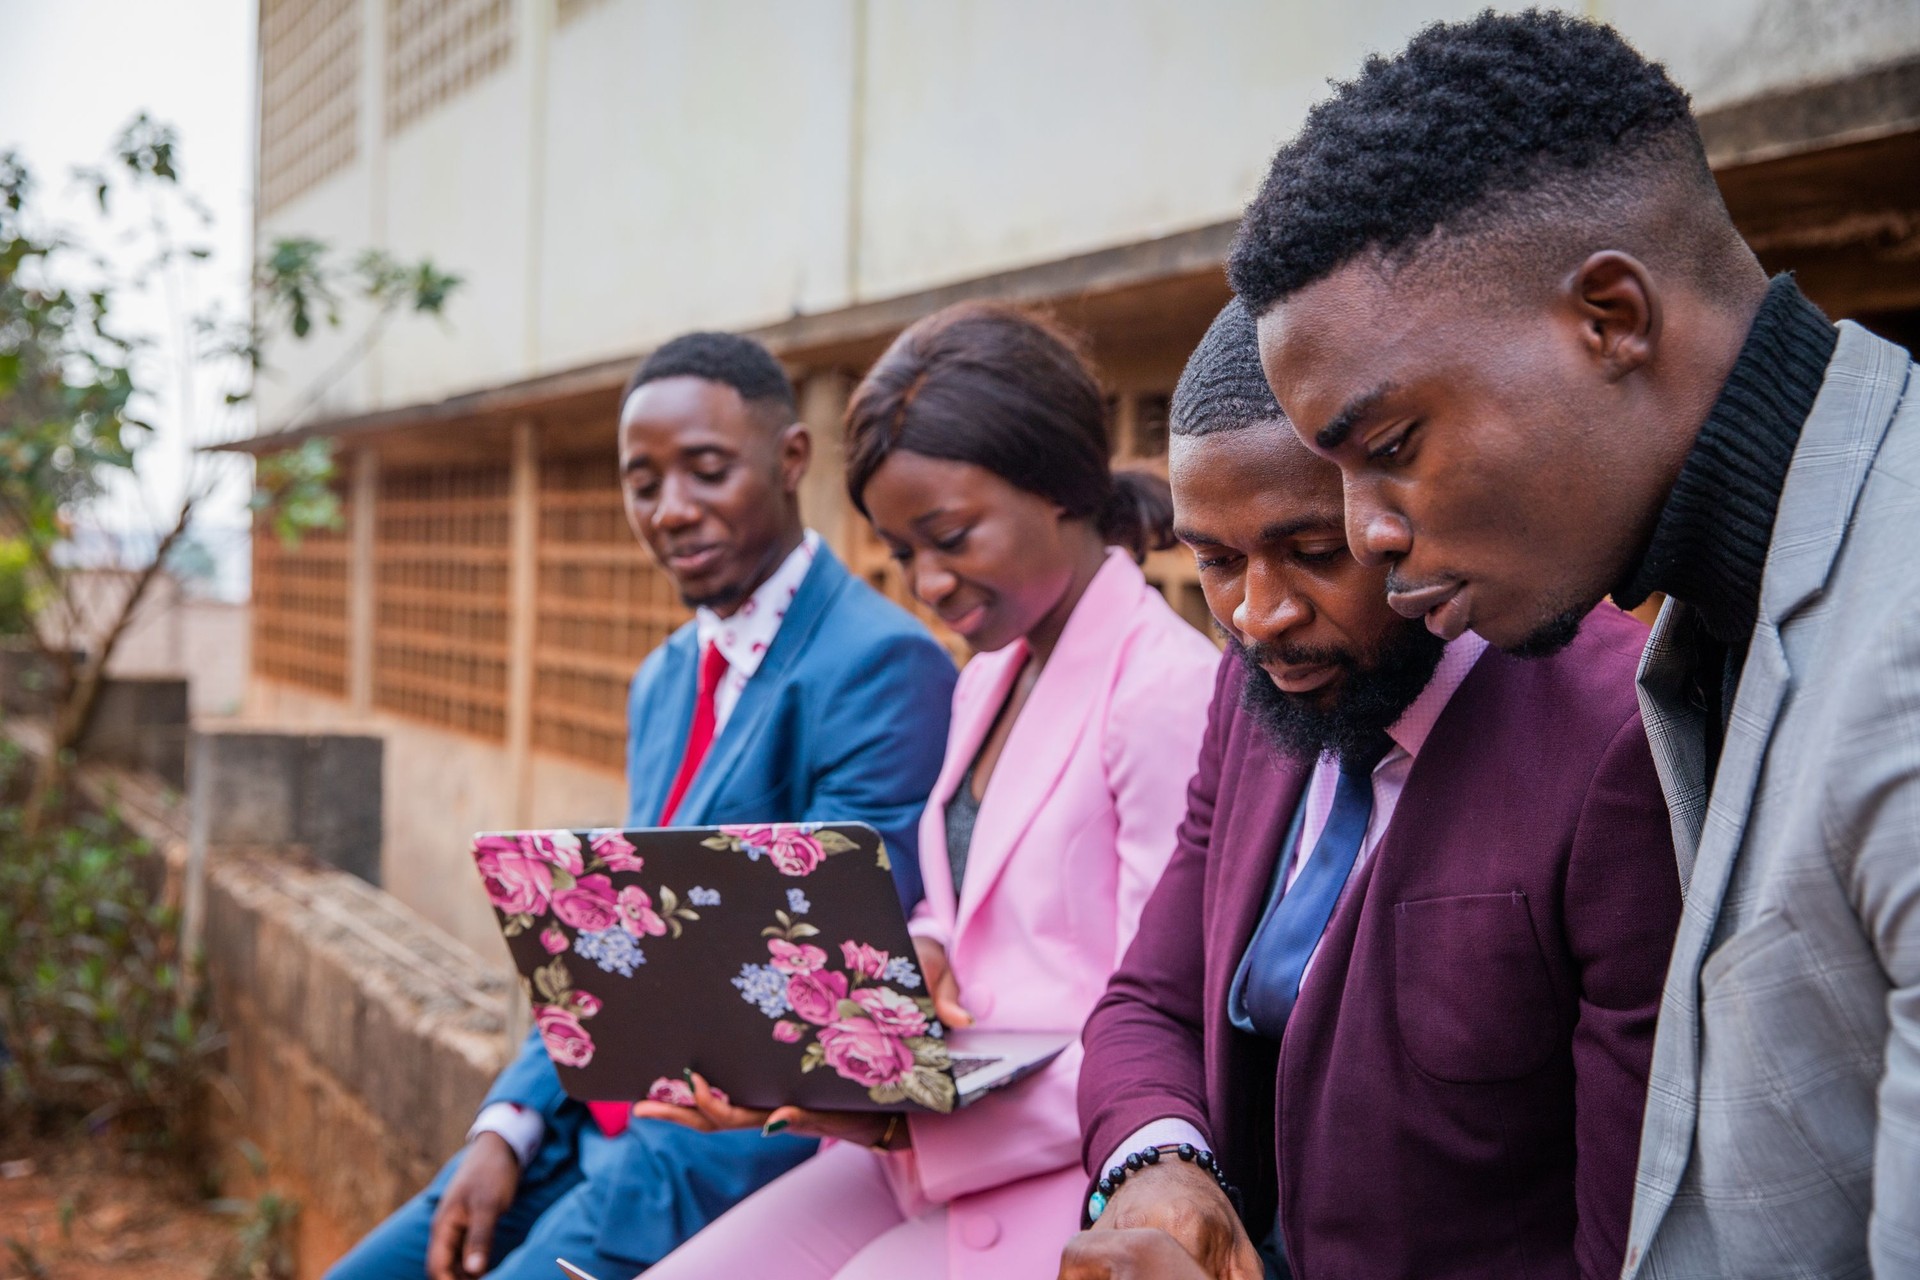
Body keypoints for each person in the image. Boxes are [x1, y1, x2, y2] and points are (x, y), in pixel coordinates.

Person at [1230, 11, 1920, 1276]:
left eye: (1388, 449)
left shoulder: (1902, 646)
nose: (1368, 534)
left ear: (1610, 316)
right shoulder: (1717, 616)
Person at [1059, 299, 1681, 1280]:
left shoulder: (1615, 733)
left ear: (1412, 505)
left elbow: (1631, 1224)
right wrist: (1162, 1164)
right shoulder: (1257, 681)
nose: (1258, 615)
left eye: (1314, 551)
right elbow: (1150, 1002)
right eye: (1215, 561)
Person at [326, 333, 957, 1280]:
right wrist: (506, 1122)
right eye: (642, 483)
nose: (670, 510)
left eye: (706, 472)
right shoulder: (661, 680)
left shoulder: (881, 664)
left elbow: (831, 981)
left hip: (721, 1153)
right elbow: (612, 945)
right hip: (579, 1118)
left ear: (790, 460)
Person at [629, 302, 1220, 1279]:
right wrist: (923, 956)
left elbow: (1164, 1018)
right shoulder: (989, 672)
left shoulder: (1163, 688)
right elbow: (962, 903)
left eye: (951, 535)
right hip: (921, 1136)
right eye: (903, 552)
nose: (929, 582)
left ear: (1063, 488)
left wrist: (901, 1112)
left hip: (1070, 1163)